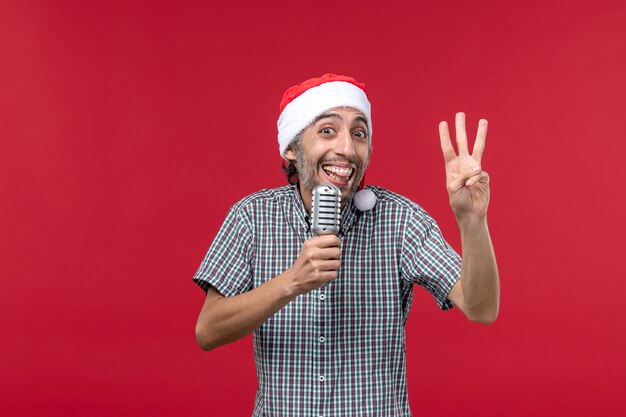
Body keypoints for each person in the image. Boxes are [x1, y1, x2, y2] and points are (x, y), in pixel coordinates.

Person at [193, 73, 499, 417]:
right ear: (291, 148)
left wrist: (472, 222)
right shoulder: (251, 217)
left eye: (359, 133)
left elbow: (481, 308)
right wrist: (290, 283)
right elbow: (208, 331)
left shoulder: (399, 221)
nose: (347, 149)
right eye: (327, 130)